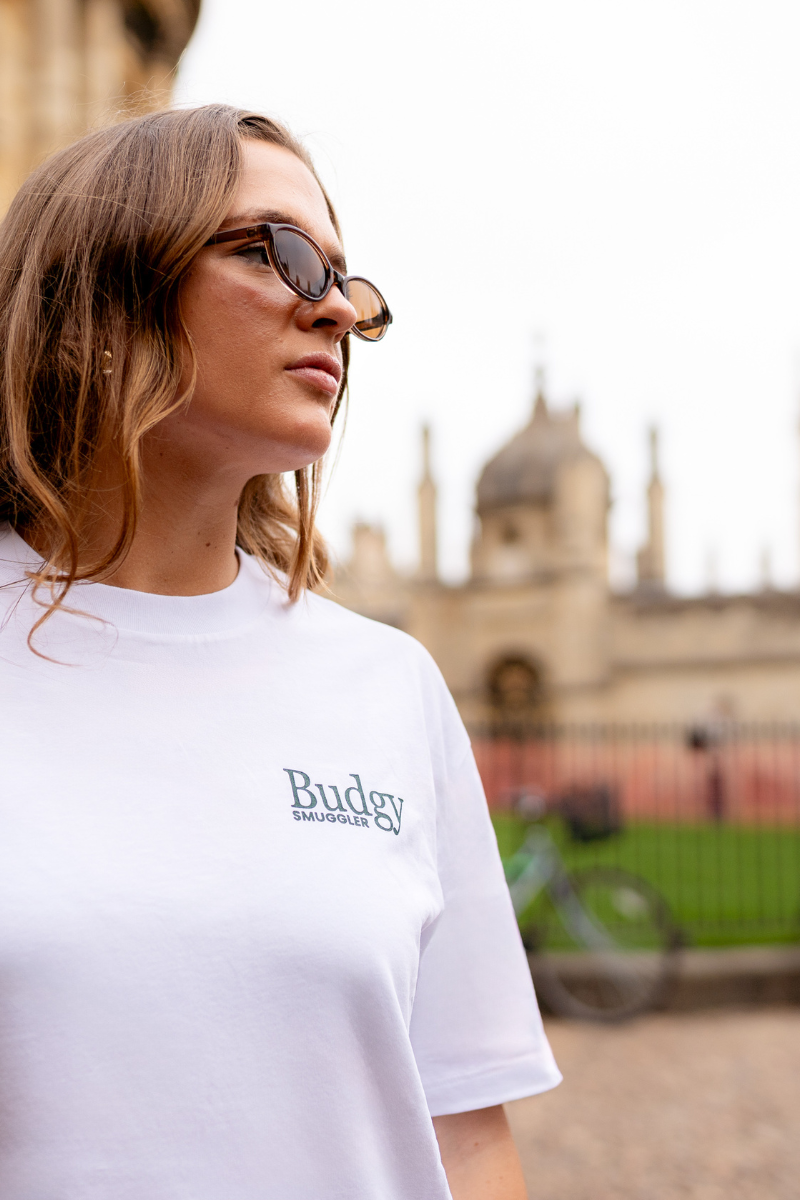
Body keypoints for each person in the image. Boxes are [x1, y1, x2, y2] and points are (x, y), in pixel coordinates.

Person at [0, 104, 560, 1199]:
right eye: (275, 252)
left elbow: (461, 1130)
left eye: (349, 280)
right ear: (92, 299)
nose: (336, 308)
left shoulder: (387, 685)